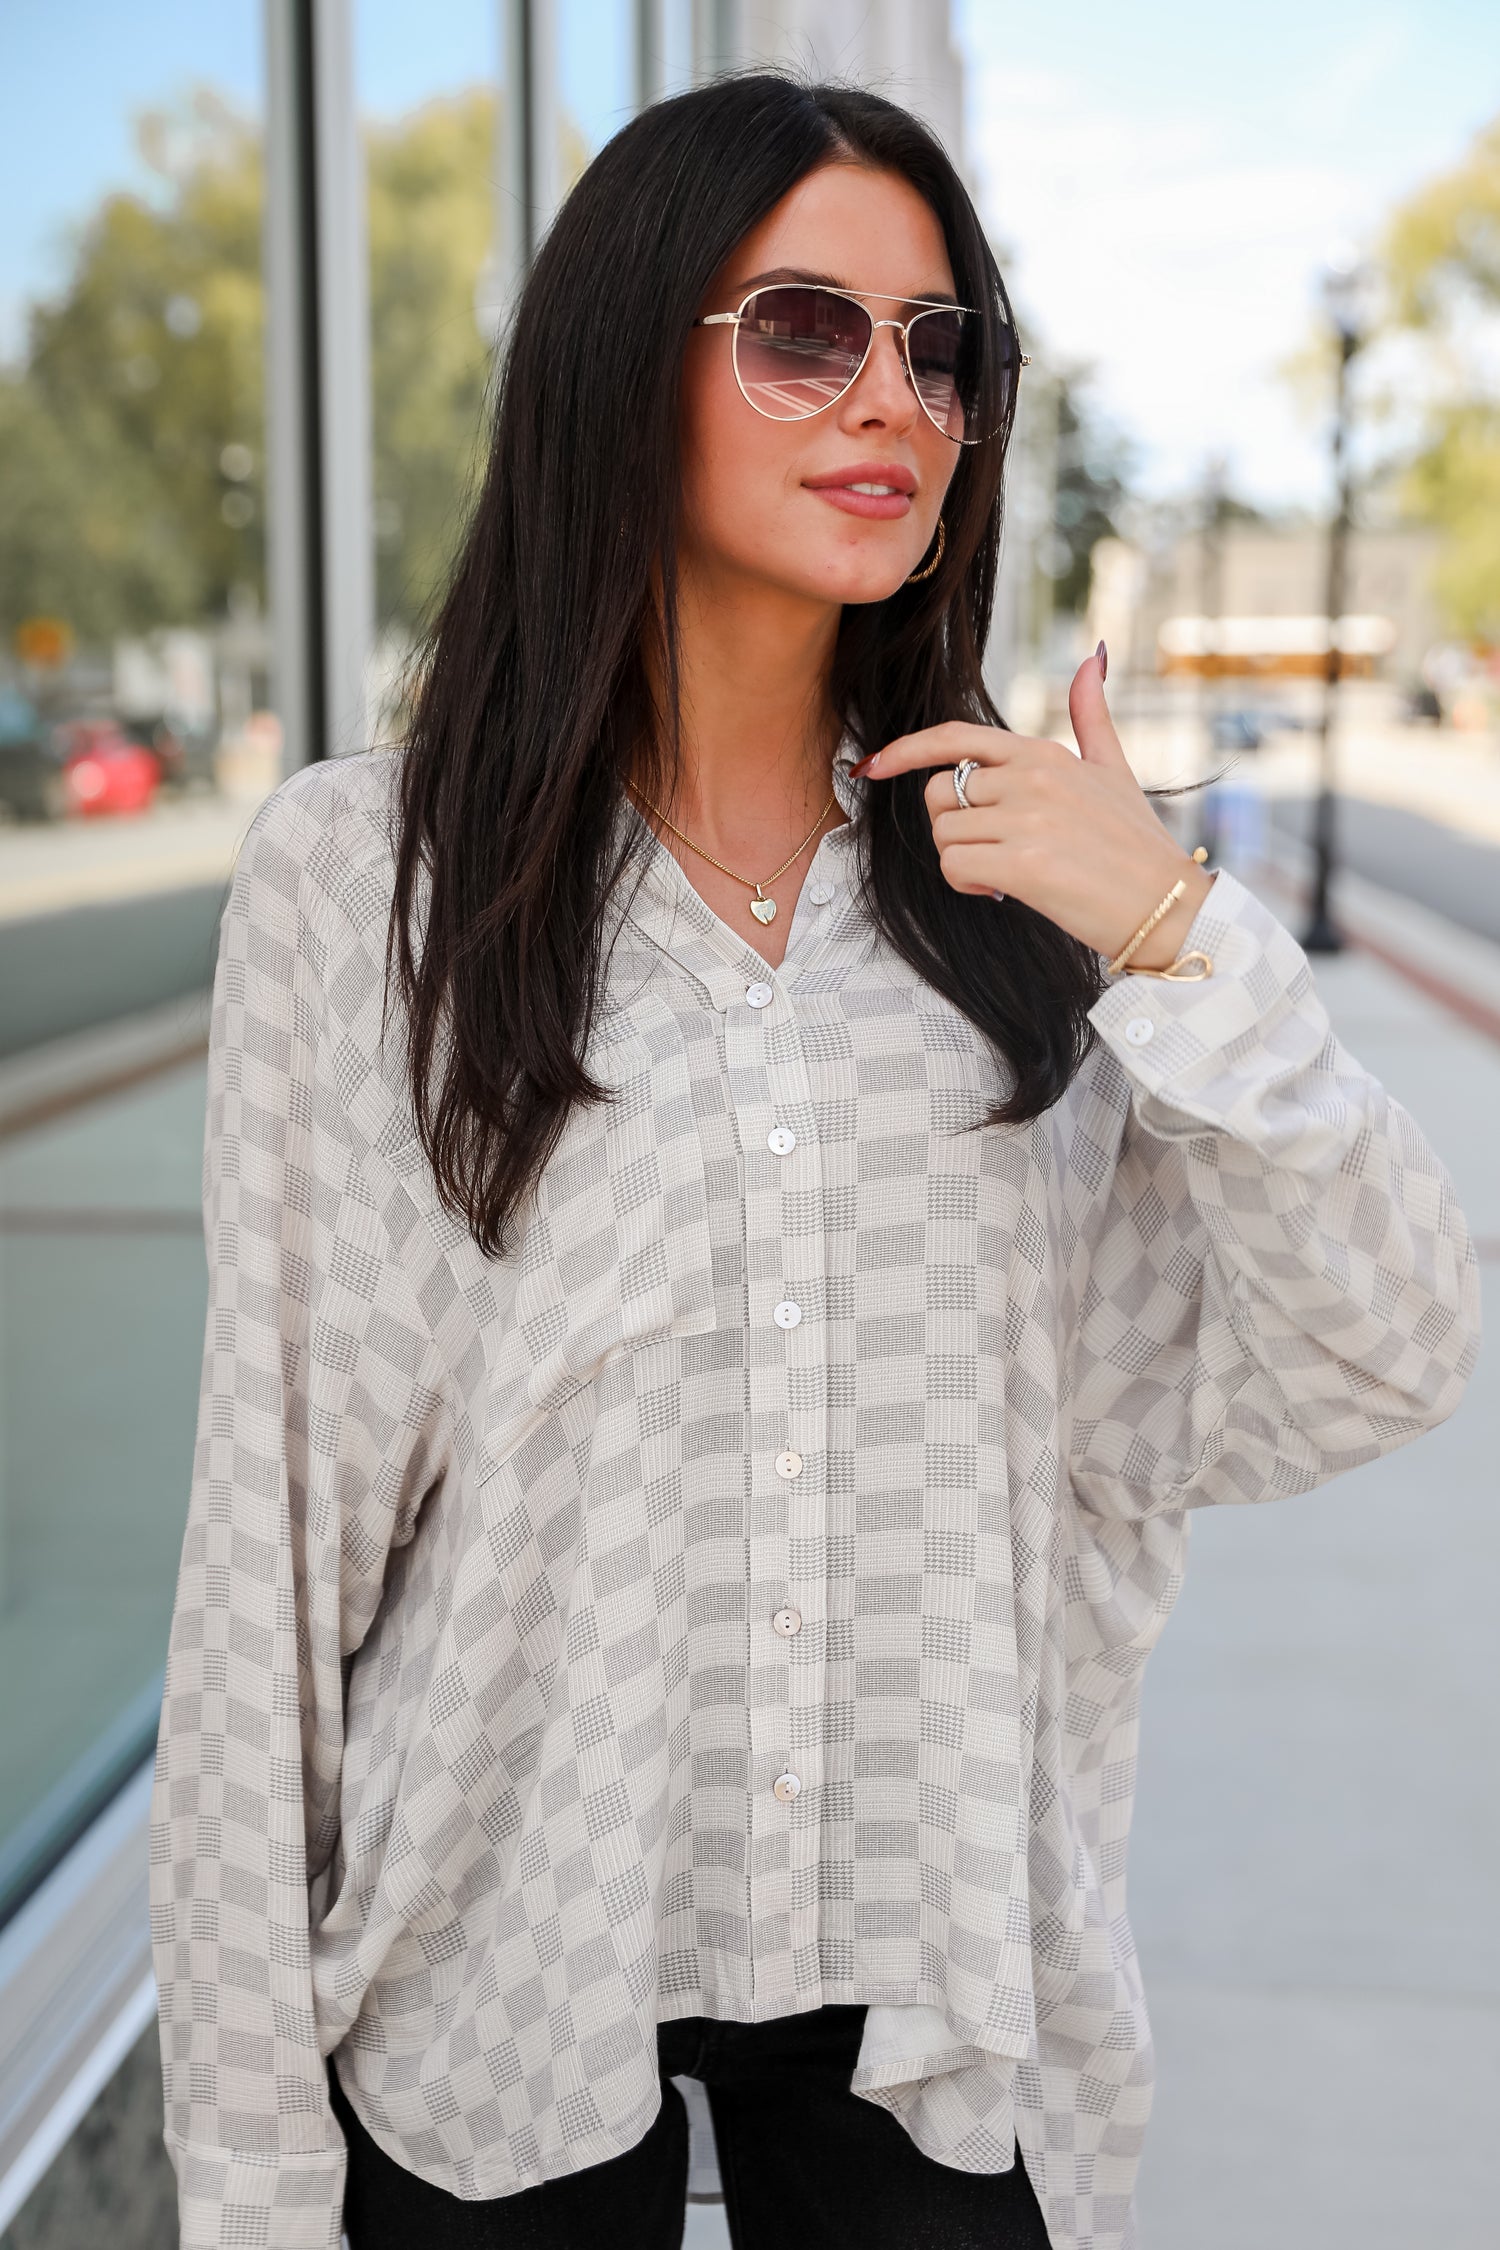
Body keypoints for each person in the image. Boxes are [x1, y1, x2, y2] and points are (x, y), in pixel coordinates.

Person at [149, 70, 1479, 2250]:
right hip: (488, 1998)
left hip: (937, 2011)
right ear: (622, 360)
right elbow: (270, 1576)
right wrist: (250, 2178)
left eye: (942, 347)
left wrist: (1177, 931)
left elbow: (1391, 1348)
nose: (893, 396)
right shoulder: (367, 881)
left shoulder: (1030, 912)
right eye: (805, 329)